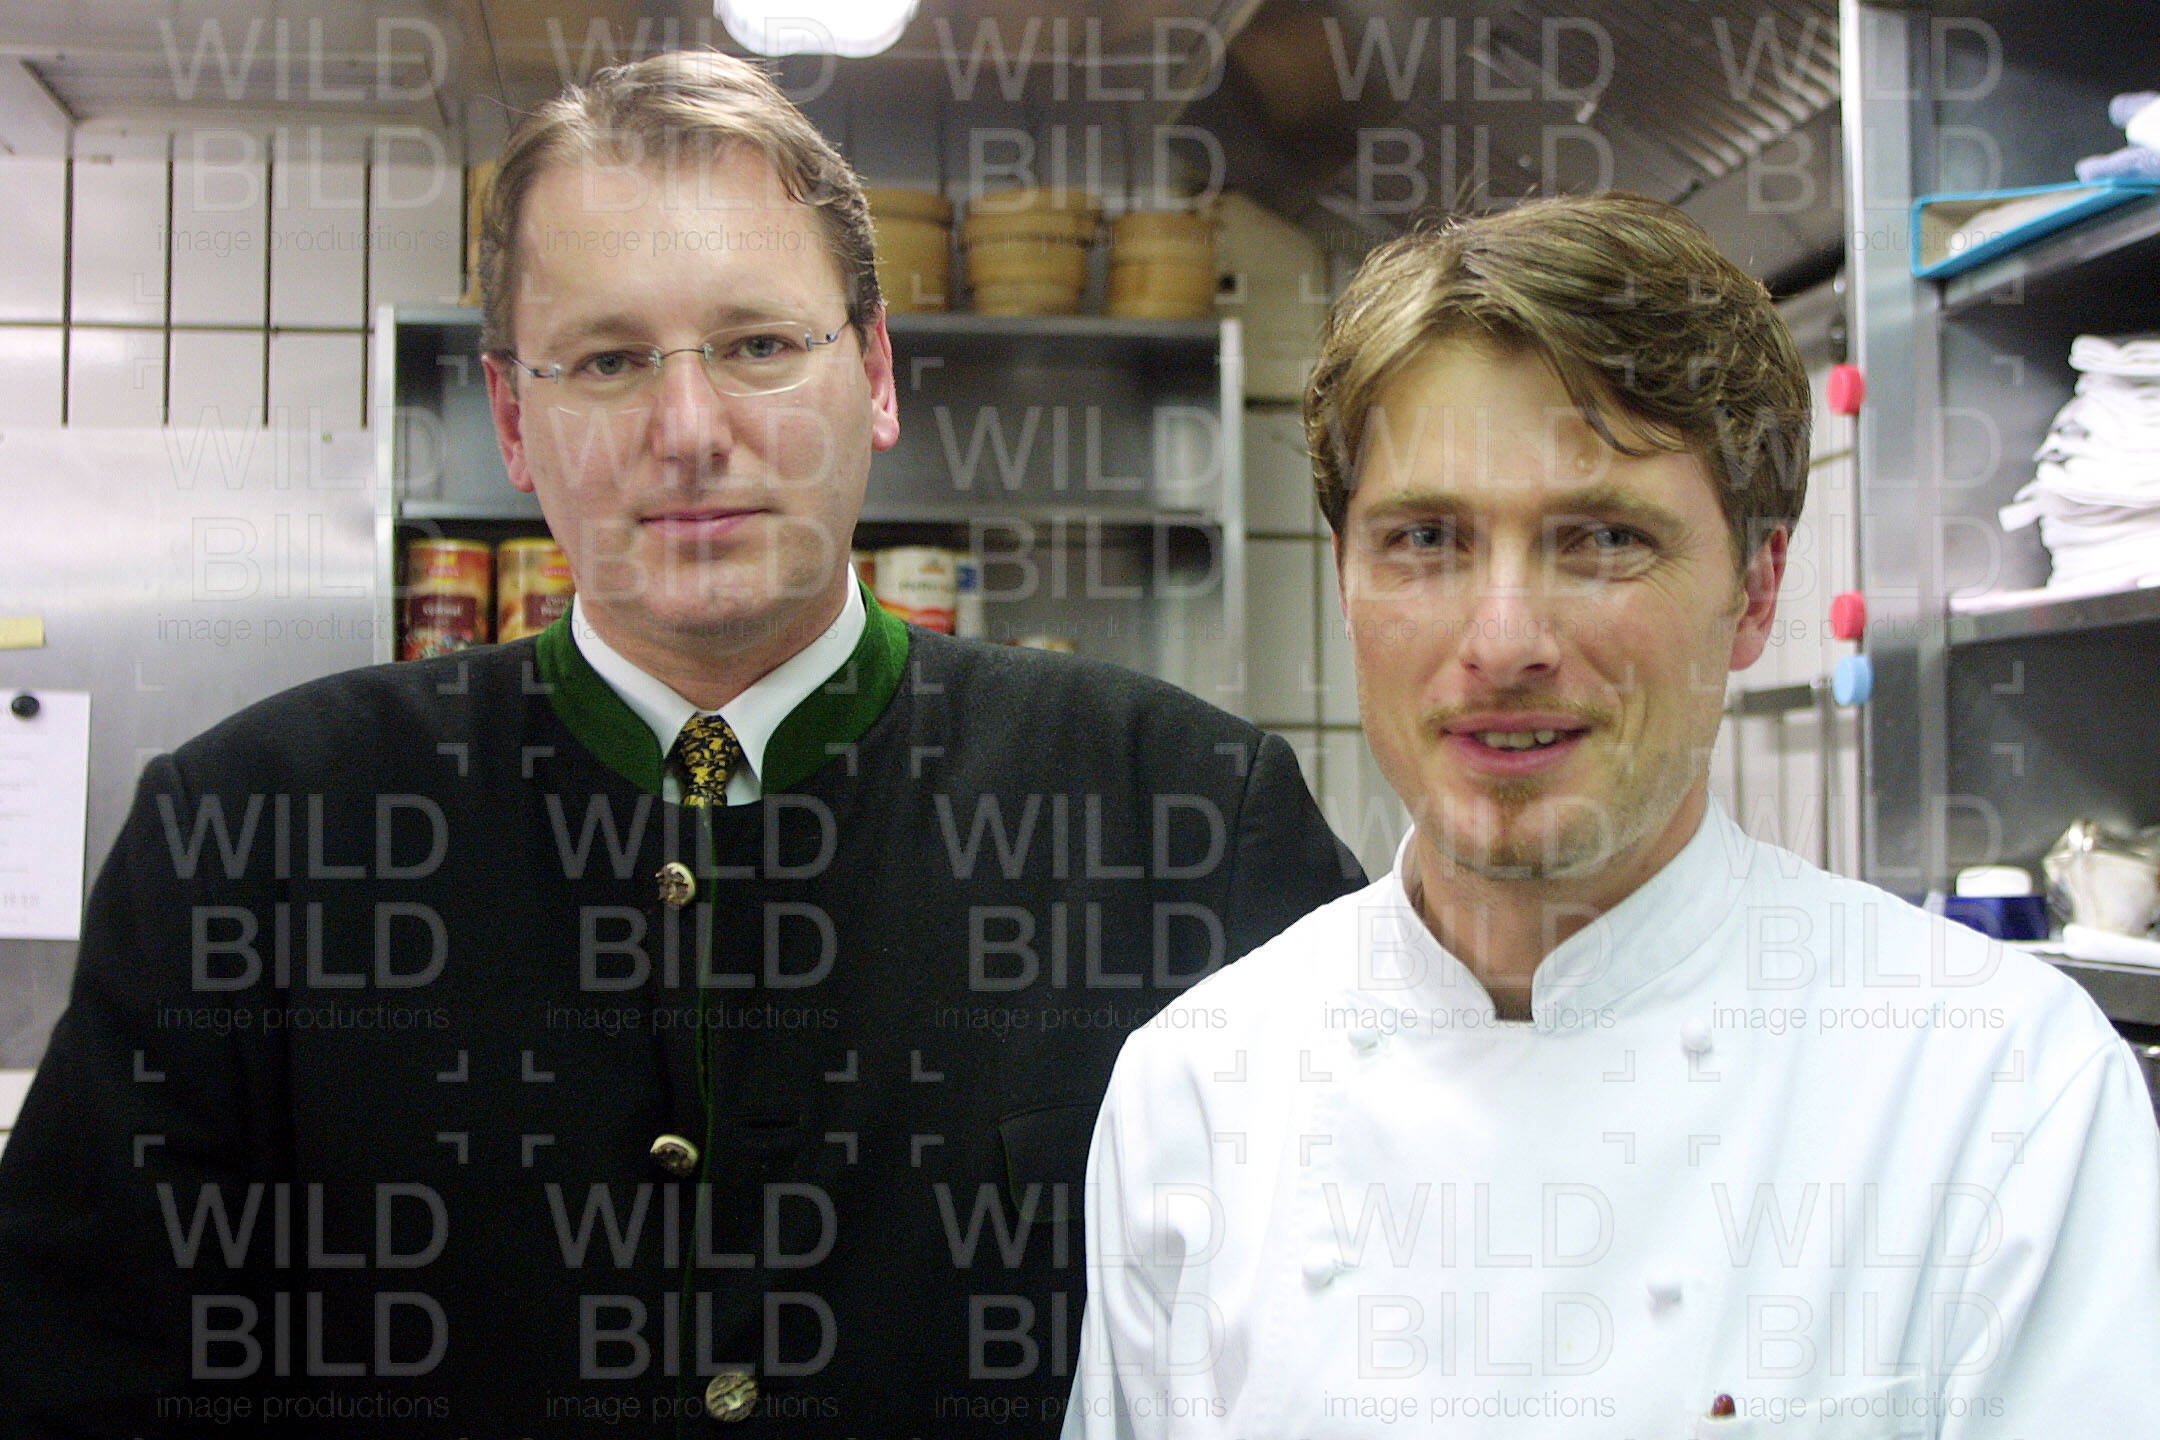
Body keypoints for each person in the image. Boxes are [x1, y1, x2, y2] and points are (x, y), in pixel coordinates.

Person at [0, 51, 1360, 1437]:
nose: (691, 431)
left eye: (759, 345)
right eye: (608, 361)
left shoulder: (1185, 817)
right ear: (514, 419)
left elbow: (1353, 1353)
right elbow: (81, 1383)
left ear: (875, 374)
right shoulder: (251, 840)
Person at [1065, 193, 2160, 1438]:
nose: (1504, 642)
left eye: (1601, 538)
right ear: (1348, 583)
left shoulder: (1998, 1086)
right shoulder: (1198, 1089)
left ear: (1757, 592)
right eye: (1426, 538)